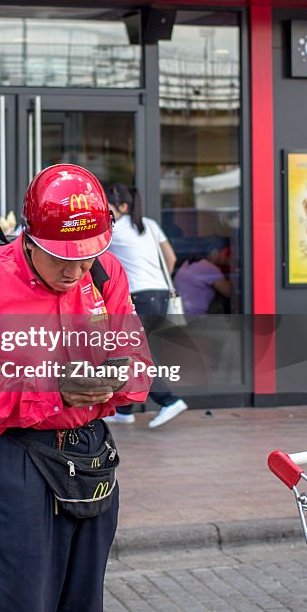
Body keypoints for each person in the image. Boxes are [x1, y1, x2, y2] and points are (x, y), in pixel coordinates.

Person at [0, 164, 151, 612]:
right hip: (17, 460)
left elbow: (139, 368)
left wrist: (113, 382)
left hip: (89, 456)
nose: (75, 269)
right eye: (62, 257)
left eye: (85, 255)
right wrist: (55, 391)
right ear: (29, 238)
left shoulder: (105, 273)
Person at [105, 182, 188, 429]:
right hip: (159, 293)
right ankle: (124, 410)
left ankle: (169, 401)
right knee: (134, 351)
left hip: (139, 297)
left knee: (135, 355)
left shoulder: (115, 230)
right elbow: (170, 258)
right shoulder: (150, 225)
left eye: (107, 207)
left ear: (122, 206)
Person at [173, 236, 231, 318]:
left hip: (182, 316)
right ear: (215, 252)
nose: (227, 257)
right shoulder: (208, 267)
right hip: (194, 319)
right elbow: (229, 292)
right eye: (225, 252)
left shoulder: (188, 263)